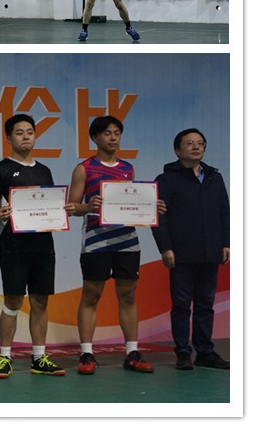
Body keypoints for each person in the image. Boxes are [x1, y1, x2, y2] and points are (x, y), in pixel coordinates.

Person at [68, 115, 164, 375]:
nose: (113, 138)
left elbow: (131, 202)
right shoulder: (84, 168)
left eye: (117, 133)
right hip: (96, 241)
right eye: (107, 133)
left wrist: (150, 207)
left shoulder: (127, 168)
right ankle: (86, 354)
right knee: (91, 295)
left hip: (127, 241)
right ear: (95, 137)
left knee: (128, 295)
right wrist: (88, 206)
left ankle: (131, 352)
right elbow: (72, 207)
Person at [0, 114, 74, 378]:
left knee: (40, 301)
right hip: (13, 245)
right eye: (19, 132)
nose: (25, 137)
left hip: (43, 245)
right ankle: (5, 357)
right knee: (13, 300)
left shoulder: (44, 170)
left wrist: (62, 210)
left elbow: (49, 203)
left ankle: (39, 358)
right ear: (9, 138)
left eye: (30, 132)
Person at [152, 128, 230, 370]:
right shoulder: (166, 179)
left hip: (211, 251)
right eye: (189, 143)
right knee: (182, 306)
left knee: (206, 305)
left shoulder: (214, 177)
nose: (196, 147)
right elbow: (158, 216)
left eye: (200, 143)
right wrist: (166, 248)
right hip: (181, 254)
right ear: (178, 150)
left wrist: (226, 243)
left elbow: (224, 212)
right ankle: (183, 352)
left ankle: (205, 351)